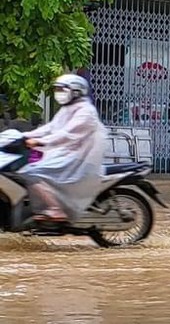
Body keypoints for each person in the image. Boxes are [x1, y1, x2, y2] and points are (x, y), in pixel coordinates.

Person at [22, 74, 109, 223]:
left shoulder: (86, 112)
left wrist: (39, 142)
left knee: (30, 173)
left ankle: (56, 210)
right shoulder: (68, 109)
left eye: (62, 89)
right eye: (57, 89)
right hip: (66, 154)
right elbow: (50, 128)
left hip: (78, 159)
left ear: (75, 91)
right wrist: (23, 135)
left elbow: (66, 135)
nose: (59, 93)